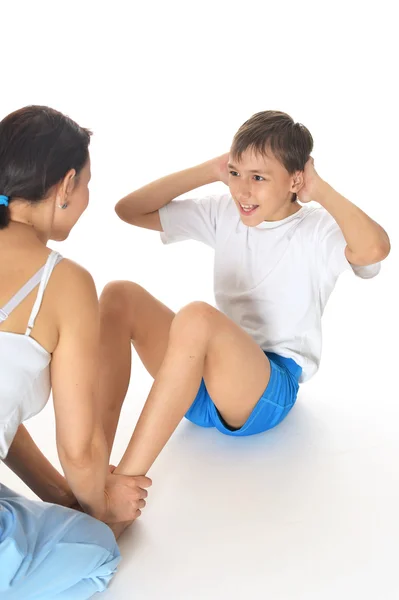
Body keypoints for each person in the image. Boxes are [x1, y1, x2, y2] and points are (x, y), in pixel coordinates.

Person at [97, 110, 390, 479]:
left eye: (258, 178)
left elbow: (375, 250)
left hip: (266, 391)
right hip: (201, 381)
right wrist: (212, 170)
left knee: (197, 317)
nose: (242, 191)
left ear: (295, 180)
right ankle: (94, 468)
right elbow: (129, 210)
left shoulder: (317, 230)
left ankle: (123, 485)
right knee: (119, 295)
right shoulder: (226, 212)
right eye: (236, 174)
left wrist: (320, 189)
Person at [0, 105, 151, 599]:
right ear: (65, 186)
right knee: (95, 549)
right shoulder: (61, 282)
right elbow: (80, 448)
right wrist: (100, 511)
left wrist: (64, 497)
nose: (87, 196)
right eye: (86, 183)